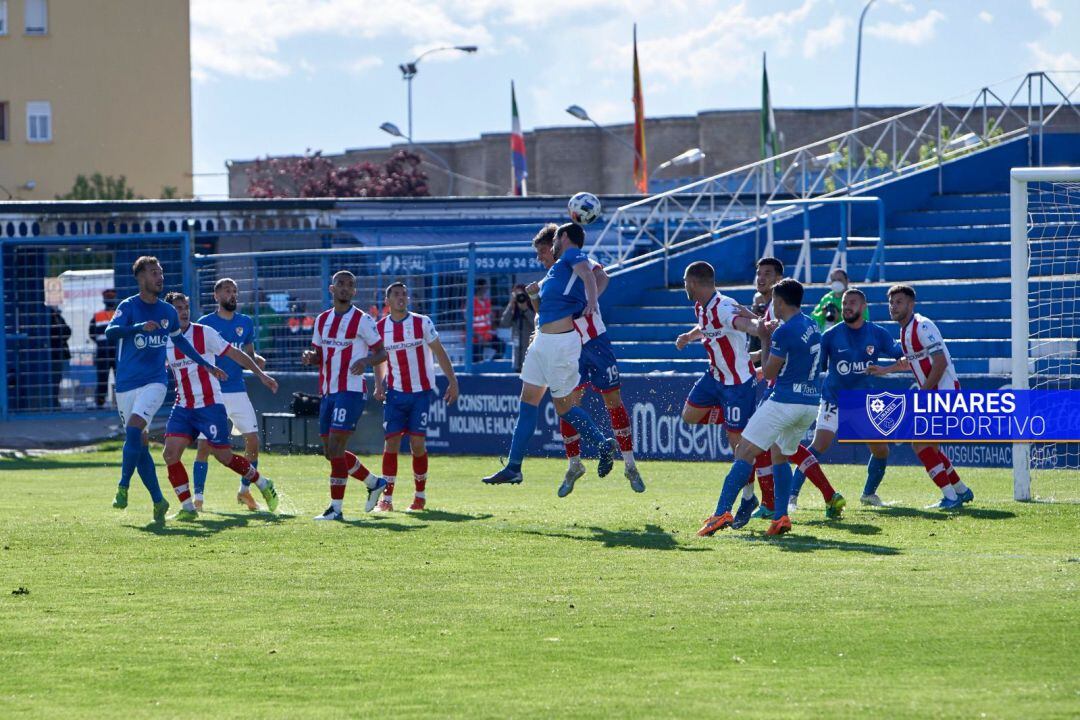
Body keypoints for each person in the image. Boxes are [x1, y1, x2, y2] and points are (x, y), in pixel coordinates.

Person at [482, 223, 617, 496]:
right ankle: (514, 467)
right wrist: (534, 295)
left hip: (561, 345)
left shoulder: (572, 255)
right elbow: (543, 312)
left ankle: (603, 446)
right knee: (527, 403)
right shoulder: (557, 270)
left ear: (563, 238)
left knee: (564, 408)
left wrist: (590, 302)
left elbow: (597, 276)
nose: (549, 249)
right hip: (542, 341)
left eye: (554, 241)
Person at [698, 278, 821, 537]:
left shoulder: (784, 332)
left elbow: (768, 370)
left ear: (779, 301)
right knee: (780, 455)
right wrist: (757, 320)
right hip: (809, 404)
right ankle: (781, 518)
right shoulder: (811, 324)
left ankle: (721, 513)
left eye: (773, 301)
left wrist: (765, 339)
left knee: (744, 451)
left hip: (784, 401)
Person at [105, 256, 224, 523]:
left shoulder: (167, 312)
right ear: (140, 278)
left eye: (161, 272)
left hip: (155, 382)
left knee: (134, 429)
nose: (159, 277)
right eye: (153, 272)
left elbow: (180, 342)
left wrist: (206, 364)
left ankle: (122, 486)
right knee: (139, 444)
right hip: (125, 385)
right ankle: (159, 501)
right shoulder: (129, 306)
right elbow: (111, 332)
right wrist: (136, 327)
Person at [530, 223, 643, 492]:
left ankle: (630, 465)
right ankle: (574, 465)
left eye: (543, 251)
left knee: (613, 401)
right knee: (568, 405)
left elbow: (601, 276)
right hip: (568, 350)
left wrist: (589, 301)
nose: (540, 257)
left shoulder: (575, 260)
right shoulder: (552, 279)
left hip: (595, 342)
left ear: (555, 246)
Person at [160, 292, 281, 521]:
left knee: (223, 456)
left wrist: (261, 374)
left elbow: (235, 353)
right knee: (170, 453)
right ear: (168, 313)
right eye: (178, 308)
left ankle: (263, 483)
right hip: (183, 405)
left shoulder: (203, 333)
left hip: (210, 404)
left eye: (186, 306)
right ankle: (188, 509)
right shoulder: (164, 339)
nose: (184, 311)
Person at [746, 257, 842, 521]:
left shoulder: (779, 314)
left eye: (768, 274)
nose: (761, 278)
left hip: (782, 389)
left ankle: (769, 503)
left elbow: (778, 351)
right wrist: (753, 358)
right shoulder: (777, 313)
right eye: (758, 273)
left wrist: (761, 364)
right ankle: (829, 494)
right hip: (796, 390)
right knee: (789, 448)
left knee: (765, 445)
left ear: (780, 281)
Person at [675, 261, 768, 526]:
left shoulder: (724, 308)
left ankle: (749, 498)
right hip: (714, 376)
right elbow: (706, 327)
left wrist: (758, 326)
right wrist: (689, 336)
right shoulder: (700, 306)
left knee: (739, 447)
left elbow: (744, 324)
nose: (684, 286)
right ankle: (733, 421)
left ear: (693, 283)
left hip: (738, 383)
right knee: (690, 415)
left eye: (685, 282)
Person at [791, 288, 903, 508]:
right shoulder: (831, 336)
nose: (847, 307)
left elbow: (900, 354)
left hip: (862, 401)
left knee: (881, 450)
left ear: (863, 307)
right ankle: (791, 496)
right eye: (844, 304)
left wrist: (891, 366)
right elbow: (816, 368)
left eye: (852, 303)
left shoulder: (877, 333)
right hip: (835, 398)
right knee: (818, 445)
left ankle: (868, 494)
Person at [868, 285, 974, 509]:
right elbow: (912, 362)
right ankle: (961, 491)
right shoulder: (905, 331)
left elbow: (941, 362)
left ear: (911, 304)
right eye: (891, 303)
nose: (893, 306)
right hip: (934, 393)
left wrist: (924, 391)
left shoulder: (922, 325)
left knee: (920, 444)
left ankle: (951, 498)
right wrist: (885, 370)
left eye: (899, 302)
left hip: (943, 394)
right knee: (930, 448)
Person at [301, 270, 389, 521]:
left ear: (354, 292)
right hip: (328, 391)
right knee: (330, 452)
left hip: (350, 390)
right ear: (332, 288)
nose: (344, 288)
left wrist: (366, 361)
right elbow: (318, 354)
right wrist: (310, 358)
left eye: (349, 285)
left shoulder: (362, 320)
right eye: (340, 284)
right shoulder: (322, 320)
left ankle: (335, 509)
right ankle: (374, 482)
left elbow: (382, 353)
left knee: (338, 447)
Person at [372, 281, 460, 512]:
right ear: (387, 300)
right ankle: (387, 499)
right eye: (396, 294)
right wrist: (378, 384)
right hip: (395, 393)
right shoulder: (380, 328)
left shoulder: (422, 322)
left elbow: (440, 352)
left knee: (417, 443)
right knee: (391, 442)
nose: (401, 298)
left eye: (404, 294)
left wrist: (453, 381)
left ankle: (419, 496)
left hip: (420, 393)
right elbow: (379, 358)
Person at [193, 278, 267, 512]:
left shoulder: (245, 322)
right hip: (214, 393)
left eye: (234, 291)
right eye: (227, 291)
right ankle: (198, 499)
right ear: (216, 296)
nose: (232, 295)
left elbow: (249, 354)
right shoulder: (205, 324)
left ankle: (244, 491)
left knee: (253, 441)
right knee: (204, 446)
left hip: (238, 390)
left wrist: (257, 362)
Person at [89, 289, 118, 407]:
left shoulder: (99, 315)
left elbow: (92, 333)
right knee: (103, 378)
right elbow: (91, 333)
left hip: (107, 351)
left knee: (106, 378)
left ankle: (101, 403)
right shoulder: (118, 314)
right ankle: (100, 402)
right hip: (109, 351)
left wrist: (101, 342)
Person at [500, 283, 536, 373]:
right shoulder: (514, 310)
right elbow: (504, 323)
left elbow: (536, 324)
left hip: (531, 353)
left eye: (522, 294)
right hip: (517, 356)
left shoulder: (533, 307)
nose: (520, 297)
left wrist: (526, 310)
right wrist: (511, 304)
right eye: (517, 295)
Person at [468, 278, 505, 363]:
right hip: (475, 337)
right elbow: (467, 323)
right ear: (479, 287)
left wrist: (494, 329)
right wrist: (478, 335)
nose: (486, 290)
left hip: (487, 335)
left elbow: (489, 320)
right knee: (477, 357)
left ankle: (491, 365)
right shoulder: (471, 302)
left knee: (501, 346)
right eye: (485, 287)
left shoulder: (487, 302)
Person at [46, 304, 72, 409]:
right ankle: (51, 403)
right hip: (52, 354)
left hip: (59, 354)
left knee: (57, 379)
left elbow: (67, 331)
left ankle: (54, 402)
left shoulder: (59, 318)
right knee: (52, 379)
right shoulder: (48, 319)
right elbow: (58, 332)